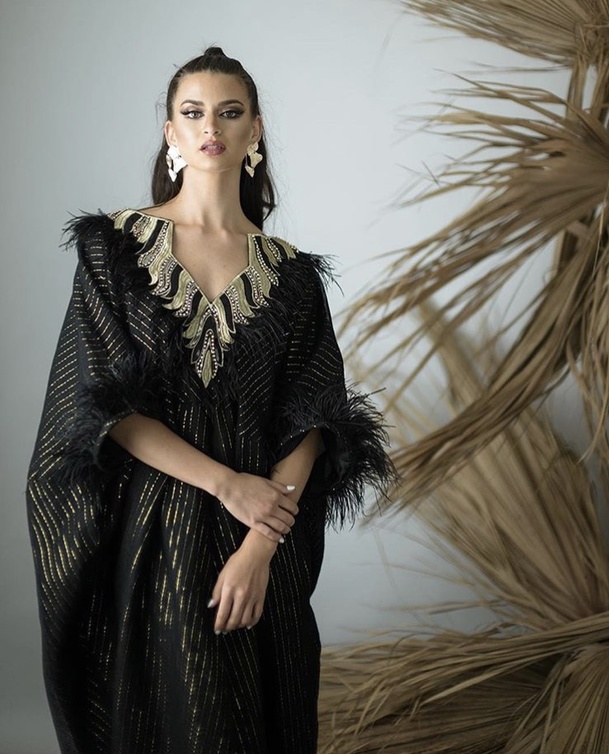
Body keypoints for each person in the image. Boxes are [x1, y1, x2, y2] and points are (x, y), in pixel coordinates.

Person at [25, 46, 396, 754]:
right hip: (153, 532)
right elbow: (105, 411)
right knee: (166, 714)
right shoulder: (114, 250)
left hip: (261, 528)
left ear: (255, 129)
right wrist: (228, 486)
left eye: (229, 113)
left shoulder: (294, 277)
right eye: (193, 113)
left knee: (258, 717)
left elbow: (315, 422)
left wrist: (261, 544)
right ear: (170, 132)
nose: (211, 127)